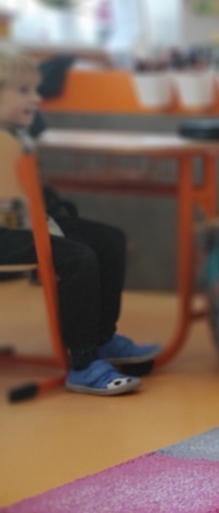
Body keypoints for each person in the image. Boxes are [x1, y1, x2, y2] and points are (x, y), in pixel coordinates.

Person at [0, 48, 155, 396]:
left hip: (30, 222)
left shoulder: (18, 130)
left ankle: (102, 339)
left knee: (109, 240)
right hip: (7, 232)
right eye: (23, 91)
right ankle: (83, 363)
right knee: (77, 257)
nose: (36, 98)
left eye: (35, 89)